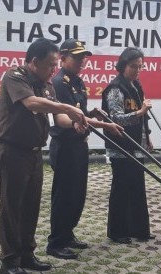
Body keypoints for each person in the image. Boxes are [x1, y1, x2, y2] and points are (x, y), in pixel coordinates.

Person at [0, 38, 86, 274]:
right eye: (50, 65)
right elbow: (30, 103)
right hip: (13, 151)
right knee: (11, 207)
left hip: (36, 154)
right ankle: (9, 261)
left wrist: (83, 121)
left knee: (31, 206)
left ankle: (27, 255)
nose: (54, 70)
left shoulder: (47, 85)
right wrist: (69, 108)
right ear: (34, 62)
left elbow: (59, 120)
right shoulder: (14, 77)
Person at [46, 39, 123, 260]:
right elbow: (66, 118)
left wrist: (93, 113)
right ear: (63, 58)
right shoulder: (60, 82)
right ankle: (56, 242)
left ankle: (67, 234)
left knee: (77, 193)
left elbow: (80, 113)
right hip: (65, 146)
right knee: (64, 195)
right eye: (77, 57)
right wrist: (107, 125)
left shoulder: (77, 82)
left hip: (79, 146)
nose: (82, 61)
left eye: (83, 57)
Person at [101, 47, 154, 244]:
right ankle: (118, 231)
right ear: (123, 65)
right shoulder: (116, 88)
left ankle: (139, 229)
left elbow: (143, 116)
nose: (137, 70)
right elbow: (116, 119)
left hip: (136, 144)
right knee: (121, 189)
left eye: (140, 67)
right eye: (133, 66)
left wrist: (147, 135)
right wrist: (140, 113)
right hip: (121, 146)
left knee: (137, 187)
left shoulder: (136, 85)